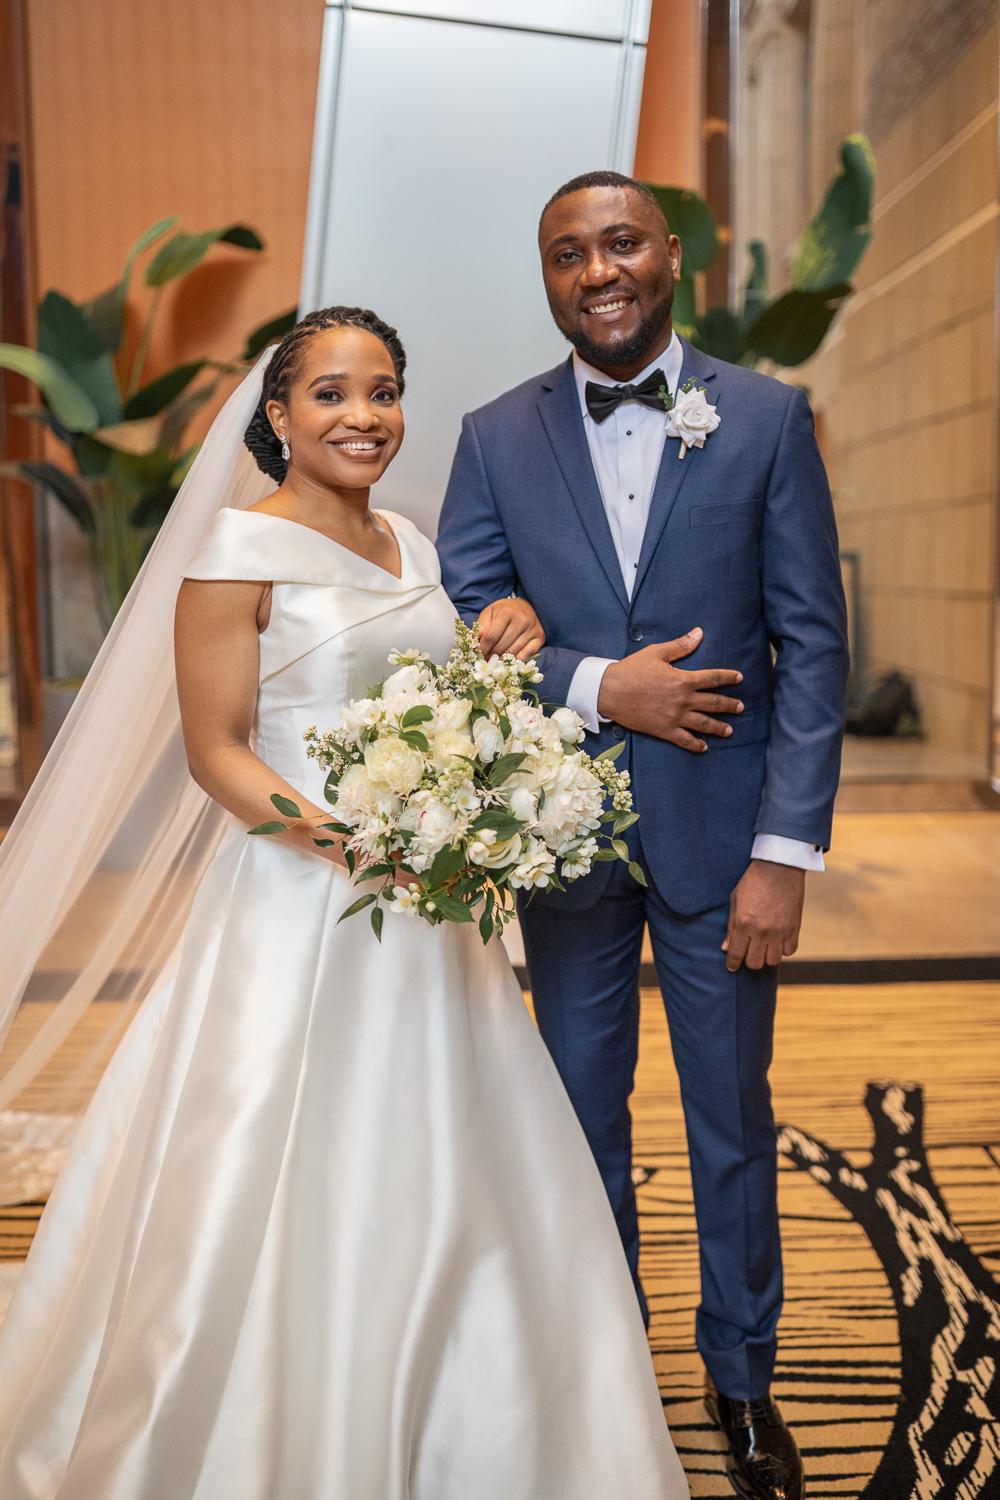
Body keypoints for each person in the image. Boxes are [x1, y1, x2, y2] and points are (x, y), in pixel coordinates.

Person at [0, 308, 688, 1498]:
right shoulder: (235, 551)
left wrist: (501, 644)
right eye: (330, 394)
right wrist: (358, 847)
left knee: (463, 1157)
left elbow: (429, 700)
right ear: (278, 416)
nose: (362, 417)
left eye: (382, 392)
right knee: (271, 1159)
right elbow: (217, 751)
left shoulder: (411, 546)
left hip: (434, 912)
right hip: (299, 900)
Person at [437, 170, 851, 1500]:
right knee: (576, 1121)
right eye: (568, 254)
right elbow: (466, 618)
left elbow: (813, 646)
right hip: (561, 848)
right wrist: (596, 685)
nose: (597, 272)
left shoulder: (765, 418)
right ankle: (605, 1376)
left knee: (730, 1117)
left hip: (727, 848)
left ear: (669, 253)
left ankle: (742, 1381)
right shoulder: (493, 435)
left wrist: (784, 856)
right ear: (548, 278)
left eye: (619, 244)